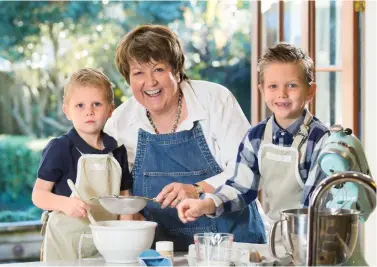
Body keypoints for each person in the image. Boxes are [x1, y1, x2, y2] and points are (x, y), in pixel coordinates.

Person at [104, 24, 267, 251]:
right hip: (163, 251)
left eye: (159, 69)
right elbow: (113, 187)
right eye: (138, 73)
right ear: (128, 79)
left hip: (233, 244)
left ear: (177, 70)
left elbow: (248, 171)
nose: (150, 82)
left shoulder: (215, 100)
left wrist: (197, 188)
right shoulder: (120, 122)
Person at [177, 42, 330, 228]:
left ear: (311, 91)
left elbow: (315, 202)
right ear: (262, 91)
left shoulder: (320, 139)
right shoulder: (256, 137)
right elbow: (241, 188)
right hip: (277, 236)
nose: (282, 94)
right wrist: (206, 204)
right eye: (273, 86)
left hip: (314, 237)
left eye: (292, 85)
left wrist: (300, 243)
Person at [32, 68, 133, 261]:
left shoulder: (117, 150)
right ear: (67, 111)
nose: (89, 111)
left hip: (106, 245)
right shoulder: (60, 148)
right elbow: (38, 195)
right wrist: (64, 203)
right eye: (80, 105)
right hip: (64, 247)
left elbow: (125, 199)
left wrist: (125, 238)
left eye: (97, 104)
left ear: (110, 110)